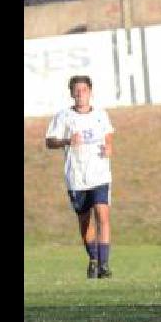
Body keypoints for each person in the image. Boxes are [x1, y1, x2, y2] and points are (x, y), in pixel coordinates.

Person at [45, 75, 115, 279]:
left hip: (100, 173)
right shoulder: (63, 116)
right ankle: (93, 259)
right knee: (85, 223)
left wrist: (109, 145)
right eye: (76, 91)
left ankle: (104, 264)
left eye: (84, 90)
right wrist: (67, 140)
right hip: (76, 177)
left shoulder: (101, 114)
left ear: (90, 92)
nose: (80, 94)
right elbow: (49, 141)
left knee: (103, 214)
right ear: (71, 94)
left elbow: (108, 133)